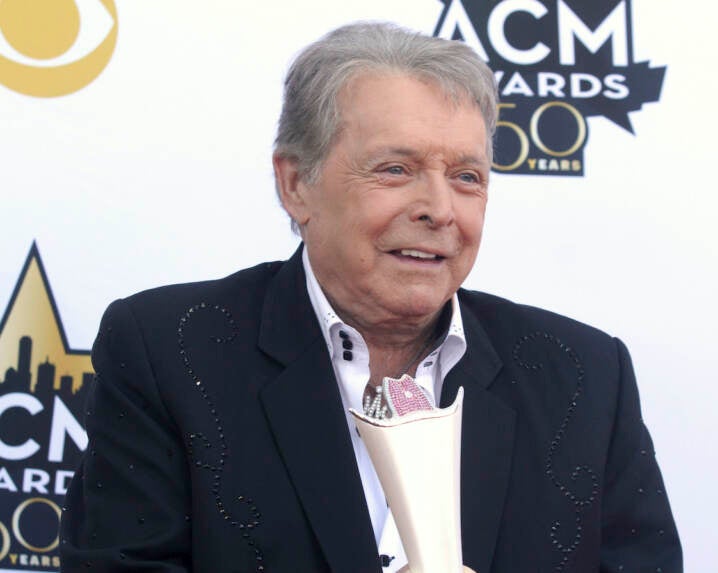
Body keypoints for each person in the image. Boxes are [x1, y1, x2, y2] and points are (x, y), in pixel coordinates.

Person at [60, 22, 682, 573]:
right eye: (396, 170)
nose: (439, 210)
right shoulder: (170, 351)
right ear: (296, 183)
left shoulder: (584, 376)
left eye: (466, 177)